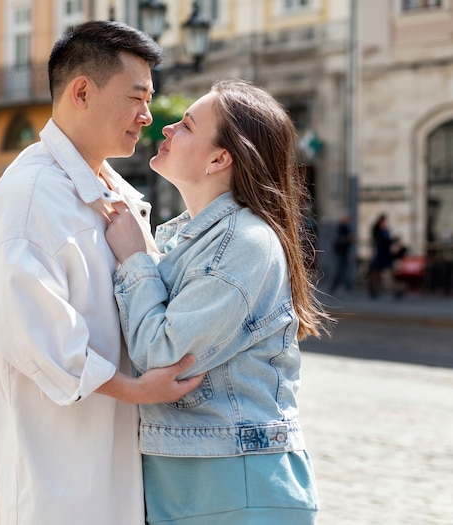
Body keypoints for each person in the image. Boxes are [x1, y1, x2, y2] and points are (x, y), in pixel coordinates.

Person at [0, 20, 204, 525]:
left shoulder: (114, 192)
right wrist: (140, 390)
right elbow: (39, 339)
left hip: (119, 472)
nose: (147, 116)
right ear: (82, 91)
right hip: (59, 479)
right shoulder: (30, 198)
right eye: (136, 98)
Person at [105, 79, 330, 524]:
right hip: (200, 478)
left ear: (220, 158)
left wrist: (134, 258)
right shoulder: (191, 239)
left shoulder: (243, 242)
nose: (167, 128)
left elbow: (162, 355)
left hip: (234, 481)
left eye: (186, 125)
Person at [368, 213, 393, 298]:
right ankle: (374, 289)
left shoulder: (384, 230)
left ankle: (392, 290)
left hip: (384, 254)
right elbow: (378, 240)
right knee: (376, 272)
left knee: (386, 271)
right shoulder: (378, 230)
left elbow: (388, 240)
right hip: (380, 253)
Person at [330, 213, 354, 293]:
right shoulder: (340, 228)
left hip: (344, 252)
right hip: (339, 252)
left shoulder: (347, 228)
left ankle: (347, 288)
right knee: (339, 271)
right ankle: (334, 287)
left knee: (344, 271)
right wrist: (346, 239)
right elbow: (337, 239)